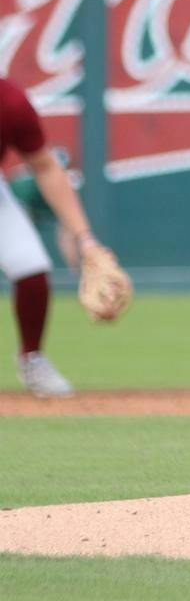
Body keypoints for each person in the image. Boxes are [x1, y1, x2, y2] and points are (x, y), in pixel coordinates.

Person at [2, 77, 103, 398]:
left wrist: (84, 238)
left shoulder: (10, 101)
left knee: (31, 269)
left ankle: (32, 358)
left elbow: (45, 167)